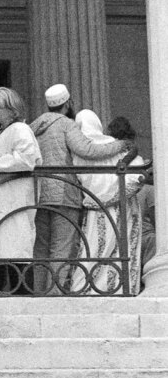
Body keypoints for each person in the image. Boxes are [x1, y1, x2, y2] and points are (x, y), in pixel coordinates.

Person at [29, 83, 126, 294]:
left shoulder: (34, 127)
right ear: (68, 103)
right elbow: (87, 150)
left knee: (41, 250)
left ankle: (37, 295)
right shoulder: (66, 124)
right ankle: (53, 297)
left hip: (38, 195)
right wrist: (121, 145)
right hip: (64, 194)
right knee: (61, 249)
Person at [70, 111, 144, 295]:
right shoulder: (118, 147)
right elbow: (137, 174)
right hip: (123, 206)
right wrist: (118, 190)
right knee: (121, 248)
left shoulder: (79, 150)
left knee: (95, 249)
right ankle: (119, 289)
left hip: (96, 208)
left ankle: (86, 288)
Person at [0, 87, 41, 293]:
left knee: (16, 249)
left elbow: (27, 160)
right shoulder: (6, 131)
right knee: (2, 248)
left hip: (14, 200)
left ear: (12, 109)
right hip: (4, 199)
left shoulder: (20, 130)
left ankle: (21, 295)